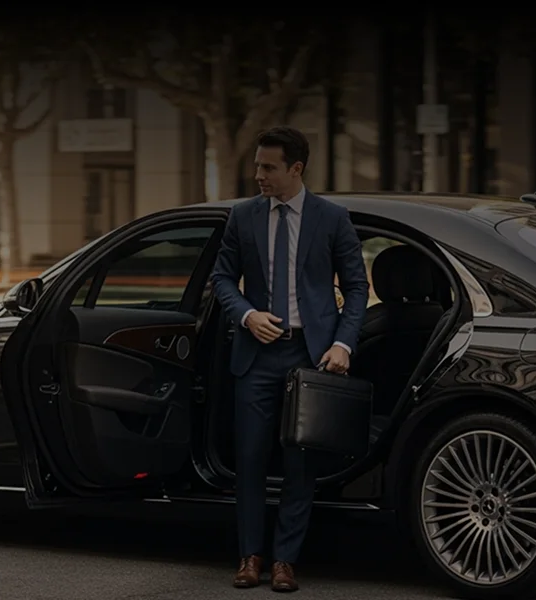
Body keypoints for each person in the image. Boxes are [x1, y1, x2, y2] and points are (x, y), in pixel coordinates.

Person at [209, 125, 369, 593]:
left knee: (300, 465)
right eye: (258, 165)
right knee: (251, 459)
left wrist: (343, 343)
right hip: (255, 356)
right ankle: (249, 557)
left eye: (268, 167)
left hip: (311, 356)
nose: (258, 174)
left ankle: (285, 561)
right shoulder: (243, 217)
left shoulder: (332, 218)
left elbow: (357, 288)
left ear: (295, 169)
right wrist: (246, 314)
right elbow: (221, 278)